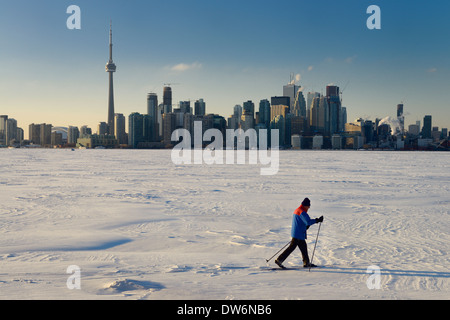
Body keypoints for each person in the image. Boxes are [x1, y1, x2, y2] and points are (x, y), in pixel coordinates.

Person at [275, 198, 323, 269]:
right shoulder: (302, 212)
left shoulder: (297, 210)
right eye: (308, 206)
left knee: (303, 247)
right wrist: (317, 220)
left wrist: (305, 226)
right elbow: (308, 221)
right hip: (298, 234)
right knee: (291, 248)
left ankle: (306, 262)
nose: (309, 207)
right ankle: (279, 260)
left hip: (298, 233)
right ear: (305, 205)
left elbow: (301, 222)